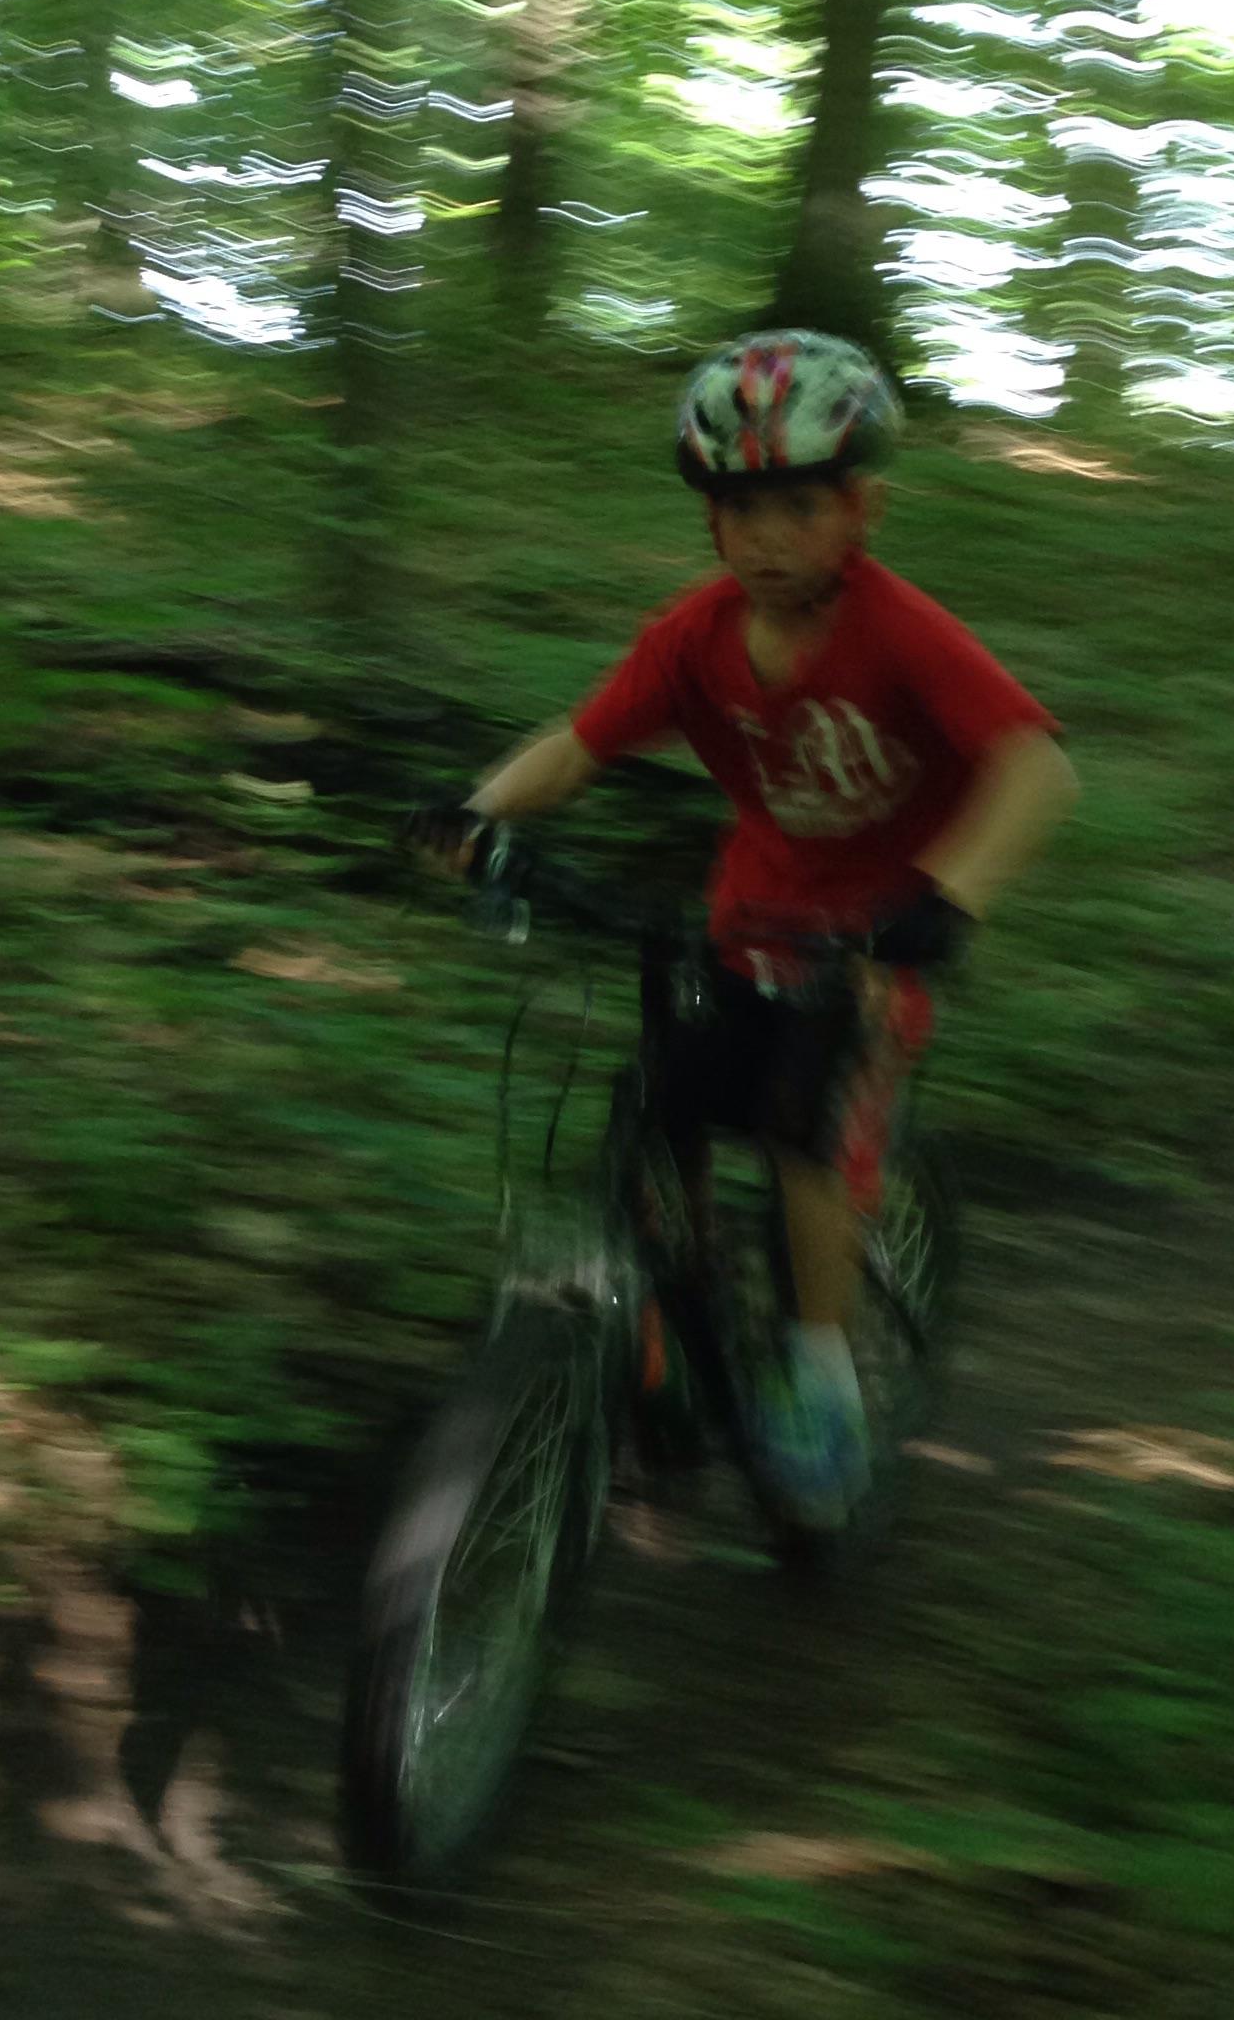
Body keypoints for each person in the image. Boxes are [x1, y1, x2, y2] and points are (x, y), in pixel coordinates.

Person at [408, 326, 1076, 1528]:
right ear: (710, 519)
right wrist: (476, 810)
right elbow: (581, 744)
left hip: (872, 944)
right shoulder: (694, 638)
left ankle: (821, 1377)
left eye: (801, 508)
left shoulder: (898, 631)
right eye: (740, 509)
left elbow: (1035, 771)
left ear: (861, 508)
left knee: (800, 1129)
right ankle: (670, 1328)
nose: (769, 538)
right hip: (748, 924)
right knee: (654, 1106)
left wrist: (946, 901)